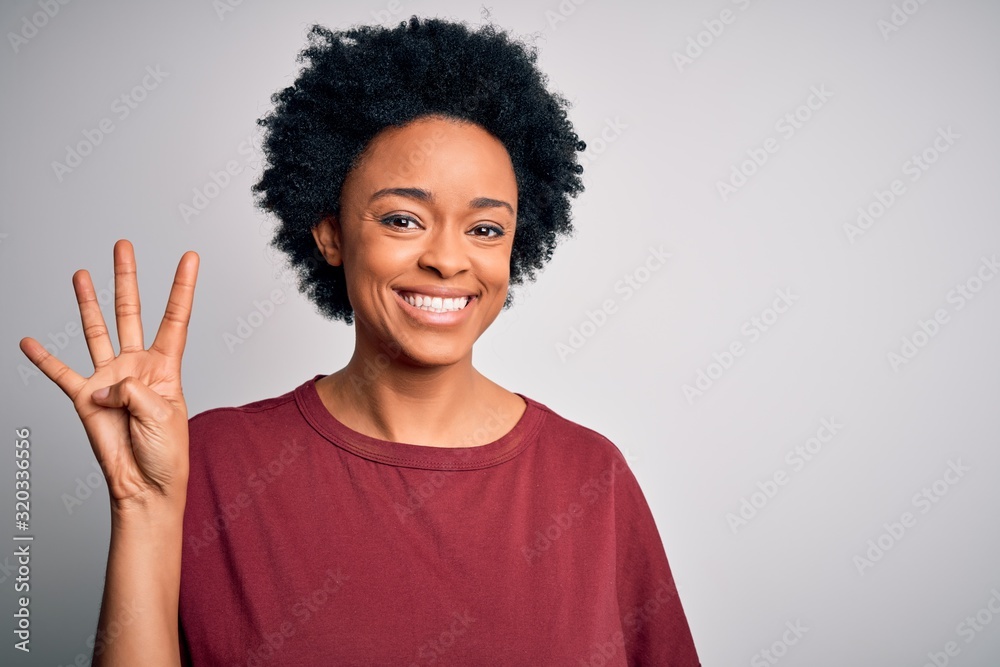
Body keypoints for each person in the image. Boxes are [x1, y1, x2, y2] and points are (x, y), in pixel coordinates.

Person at [20, 15, 700, 666]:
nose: (448, 259)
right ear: (332, 234)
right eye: (404, 219)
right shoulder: (214, 463)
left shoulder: (588, 479)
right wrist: (141, 504)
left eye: (485, 228)